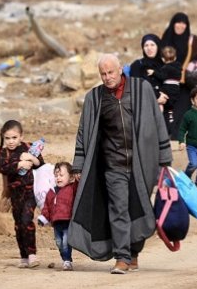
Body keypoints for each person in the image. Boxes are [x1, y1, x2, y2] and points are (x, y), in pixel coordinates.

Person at [69, 54, 172, 275]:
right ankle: (122, 257)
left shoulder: (141, 89)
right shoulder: (94, 98)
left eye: (111, 73)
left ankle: (134, 253)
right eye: (103, 74)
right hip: (112, 166)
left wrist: (165, 157)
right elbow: (82, 134)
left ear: (120, 70)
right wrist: (78, 165)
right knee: (119, 210)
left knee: (138, 208)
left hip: (143, 163)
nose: (107, 78)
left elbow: (157, 121)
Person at [0, 120, 45, 269]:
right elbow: (3, 167)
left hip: (30, 191)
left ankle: (32, 254)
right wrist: (19, 164)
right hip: (15, 194)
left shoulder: (29, 148)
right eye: (7, 138)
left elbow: (41, 164)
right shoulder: (3, 153)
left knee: (26, 221)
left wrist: (31, 158)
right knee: (18, 225)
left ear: (21, 136)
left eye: (14, 138)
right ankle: (23, 256)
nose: (11, 141)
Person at [160, 12, 197, 137]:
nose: (181, 25)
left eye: (183, 23)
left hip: (186, 82)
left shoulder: (192, 40)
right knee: (169, 109)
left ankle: (178, 134)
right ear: (173, 24)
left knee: (183, 108)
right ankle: (169, 133)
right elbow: (159, 57)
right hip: (169, 82)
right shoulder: (166, 39)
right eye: (178, 22)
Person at [38, 162, 78, 271]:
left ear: (70, 178)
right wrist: (44, 217)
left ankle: (67, 261)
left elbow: (79, 184)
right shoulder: (51, 192)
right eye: (56, 175)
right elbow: (47, 207)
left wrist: (78, 176)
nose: (58, 178)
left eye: (61, 175)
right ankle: (65, 258)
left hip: (67, 221)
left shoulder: (72, 188)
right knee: (59, 243)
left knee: (65, 242)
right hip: (56, 223)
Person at [151, 46, 182, 132]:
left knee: (160, 96)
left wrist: (154, 72)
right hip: (176, 88)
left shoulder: (165, 68)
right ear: (175, 57)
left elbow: (162, 76)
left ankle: (160, 112)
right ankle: (170, 114)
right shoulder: (178, 67)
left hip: (168, 87)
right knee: (170, 104)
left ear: (163, 59)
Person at [128, 34, 164, 101]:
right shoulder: (137, 64)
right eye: (146, 45)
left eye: (152, 45)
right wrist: (157, 96)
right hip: (145, 103)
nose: (149, 48)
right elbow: (137, 85)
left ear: (158, 46)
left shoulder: (164, 65)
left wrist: (164, 97)